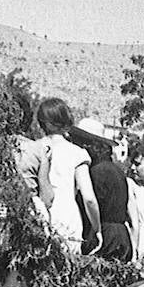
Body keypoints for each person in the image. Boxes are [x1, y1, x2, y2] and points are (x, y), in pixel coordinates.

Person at [36, 98, 102, 254]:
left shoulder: (34, 148)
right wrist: (97, 228)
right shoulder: (77, 153)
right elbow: (89, 198)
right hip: (67, 217)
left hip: (39, 214)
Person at [69, 118, 131, 262]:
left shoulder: (96, 172)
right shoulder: (116, 170)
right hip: (121, 236)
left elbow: (90, 204)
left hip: (104, 237)